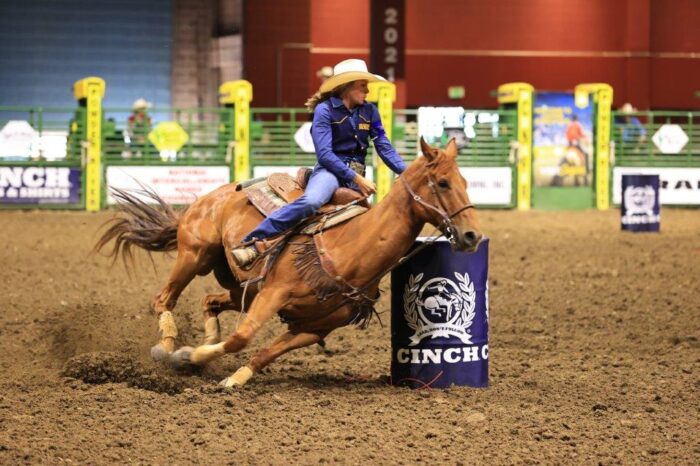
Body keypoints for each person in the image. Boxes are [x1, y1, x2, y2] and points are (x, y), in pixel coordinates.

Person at [232, 58, 407, 266]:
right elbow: (325, 155)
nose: (368, 91)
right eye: (363, 85)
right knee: (312, 201)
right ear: (347, 87)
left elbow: (383, 145)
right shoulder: (324, 111)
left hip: (356, 176)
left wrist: (407, 172)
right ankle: (254, 240)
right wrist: (357, 179)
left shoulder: (370, 112)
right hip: (330, 172)